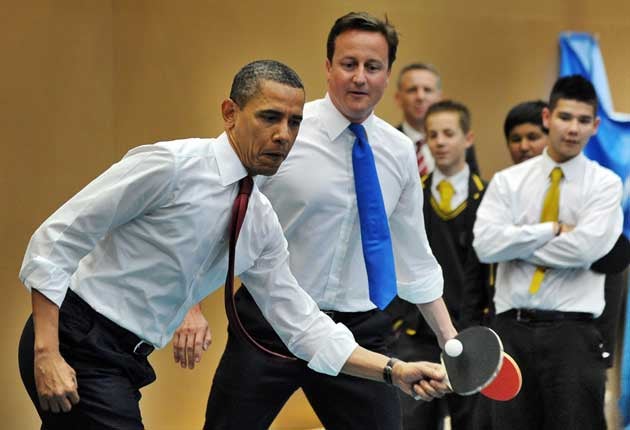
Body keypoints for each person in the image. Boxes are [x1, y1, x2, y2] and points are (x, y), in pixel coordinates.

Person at [17, 60, 450, 430]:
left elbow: (302, 324)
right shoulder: (171, 166)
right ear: (230, 113)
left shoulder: (260, 221)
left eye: (295, 121)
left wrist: (395, 371)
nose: (284, 134)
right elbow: (57, 239)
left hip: (128, 358)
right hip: (75, 338)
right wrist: (47, 352)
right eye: (269, 117)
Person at [184, 12, 458, 430]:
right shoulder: (283, 130)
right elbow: (219, 218)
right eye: (349, 65)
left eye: (373, 67)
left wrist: (449, 338)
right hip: (269, 324)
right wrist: (192, 307)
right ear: (328, 67)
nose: (360, 78)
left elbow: (413, 254)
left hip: (360, 333)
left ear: (388, 75)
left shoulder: (401, 151)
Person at [473, 75, 624, 429]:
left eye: (583, 120)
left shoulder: (605, 184)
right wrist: (551, 230)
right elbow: (484, 246)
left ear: (595, 126)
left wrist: (514, 245)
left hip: (574, 334)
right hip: (511, 329)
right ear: (547, 117)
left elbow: (585, 250)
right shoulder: (508, 182)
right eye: (565, 117)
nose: (573, 128)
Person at [388, 100, 491, 429]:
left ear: (468, 138)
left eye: (449, 133)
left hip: (471, 335)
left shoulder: (488, 198)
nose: (441, 141)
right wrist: (398, 322)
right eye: (433, 135)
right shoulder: (409, 197)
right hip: (414, 336)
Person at [394, 63, 480, 176]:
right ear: (398, 98)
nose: (420, 96)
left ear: (440, 98)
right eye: (412, 90)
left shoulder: (459, 141)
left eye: (427, 90)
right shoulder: (390, 141)